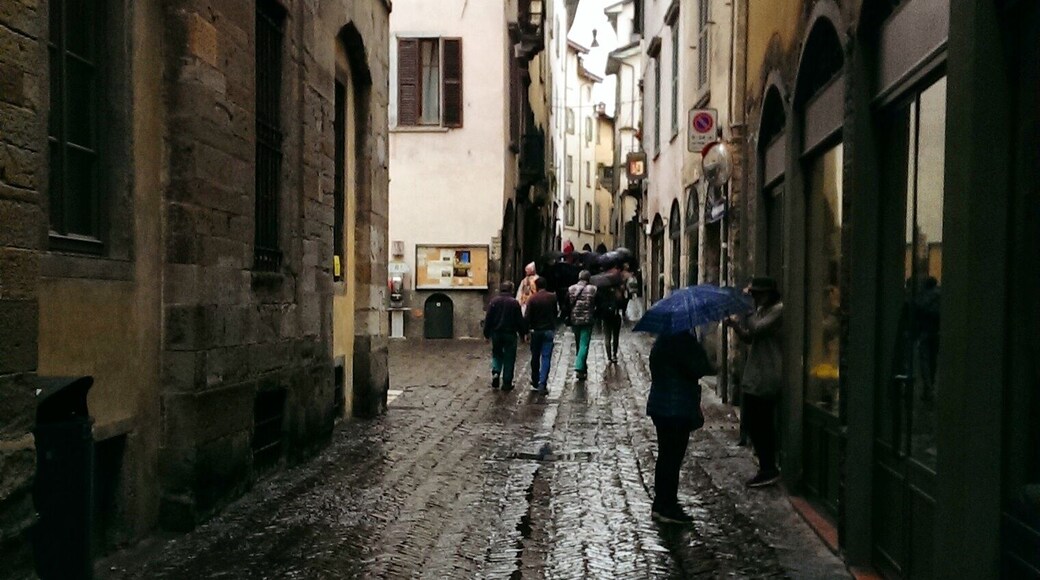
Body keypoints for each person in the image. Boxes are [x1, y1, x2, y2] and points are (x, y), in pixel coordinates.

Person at [647, 329, 712, 524]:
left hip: (660, 405)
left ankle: (661, 503)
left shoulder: (661, 341)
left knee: (665, 456)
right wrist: (699, 347)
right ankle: (668, 505)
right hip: (677, 406)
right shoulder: (683, 342)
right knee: (673, 458)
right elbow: (701, 368)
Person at [725, 277, 784, 488]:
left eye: (758, 294)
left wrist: (746, 312)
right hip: (756, 373)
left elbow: (758, 329)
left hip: (769, 374)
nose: (755, 298)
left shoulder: (778, 310)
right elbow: (751, 337)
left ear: (768, 294)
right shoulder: (761, 311)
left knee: (762, 423)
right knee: (753, 422)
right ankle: (765, 465)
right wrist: (735, 327)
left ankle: (769, 467)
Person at [484, 281, 526, 391]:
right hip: (510, 334)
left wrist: (486, 334)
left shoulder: (494, 301)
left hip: (496, 333)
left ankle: (496, 372)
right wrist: (523, 334)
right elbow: (519, 320)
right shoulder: (514, 303)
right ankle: (507, 382)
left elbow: (488, 318)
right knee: (509, 357)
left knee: (497, 354)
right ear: (511, 290)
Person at [524, 277, 558, 394]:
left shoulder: (532, 299)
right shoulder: (552, 297)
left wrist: (526, 331)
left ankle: (535, 380)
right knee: (546, 357)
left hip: (536, 331)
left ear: (536, 286)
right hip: (548, 330)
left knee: (535, 356)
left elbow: (527, 317)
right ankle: (542, 383)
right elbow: (555, 313)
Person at [567, 270, 598, 380]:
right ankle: (579, 367)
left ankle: (582, 368)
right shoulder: (593, 289)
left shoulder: (571, 289)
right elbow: (595, 303)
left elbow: (567, 303)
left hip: (574, 319)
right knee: (584, 344)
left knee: (578, 343)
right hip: (587, 319)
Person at [595, 262, 626, 363]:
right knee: (615, 336)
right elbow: (622, 304)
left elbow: (597, 302)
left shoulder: (601, 290)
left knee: (607, 336)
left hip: (605, 315)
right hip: (615, 315)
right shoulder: (617, 291)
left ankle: (608, 356)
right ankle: (614, 354)